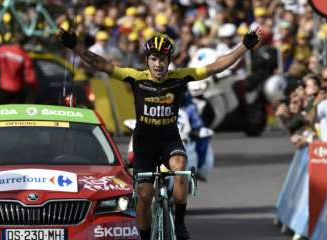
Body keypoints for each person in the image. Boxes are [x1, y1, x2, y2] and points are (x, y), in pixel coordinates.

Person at [58, 27, 263, 240]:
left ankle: (180, 224)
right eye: (154, 59)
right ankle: (145, 236)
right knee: (145, 196)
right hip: (144, 144)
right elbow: (100, 63)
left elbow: (216, 66)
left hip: (169, 140)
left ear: (169, 60)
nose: (158, 64)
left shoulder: (179, 77)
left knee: (181, 168)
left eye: (163, 59)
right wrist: (75, 46)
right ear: (147, 60)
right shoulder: (135, 77)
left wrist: (244, 46)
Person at [0, 34, 38, 104]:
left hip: (3, 89)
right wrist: (34, 89)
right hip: (17, 91)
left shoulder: (2, 50)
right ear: (24, 43)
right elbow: (30, 77)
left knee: (3, 112)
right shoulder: (24, 56)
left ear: (13, 40)